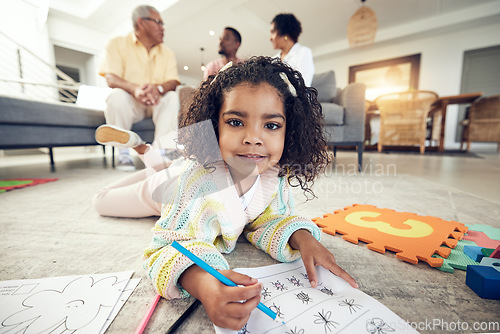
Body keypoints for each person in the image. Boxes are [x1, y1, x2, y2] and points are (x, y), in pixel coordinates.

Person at [139, 56, 357, 331]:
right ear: (214, 123)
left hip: (183, 170)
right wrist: (205, 285)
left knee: (162, 164)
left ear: (289, 131)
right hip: (167, 185)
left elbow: (268, 219)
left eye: (271, 125)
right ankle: (143, 152)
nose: (253, 138)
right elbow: (165, 248)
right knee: (108, 198)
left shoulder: (273, 175)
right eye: (235, 122)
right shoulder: (192, 184)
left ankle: (153, 157)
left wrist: (302, 238)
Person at [99, 5, 181, 171]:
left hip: (156, 102)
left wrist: (157, 89)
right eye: (158, 22)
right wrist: (136, 89)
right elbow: (110, 78)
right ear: (141, 22)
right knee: (116, 96)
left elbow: (173, 81)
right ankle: (123, 151)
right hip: (131, 103)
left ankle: (160, 152)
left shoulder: (167, 53)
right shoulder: (117, 44)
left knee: (172, 97)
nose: (162, 28)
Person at [270, 13, 314, 86]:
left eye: (273, 32)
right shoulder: (273, 59)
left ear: (285, 34)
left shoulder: (303, 52)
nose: (270, 38)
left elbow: (303, 85)